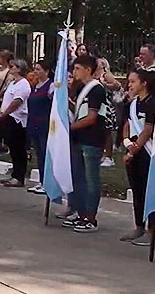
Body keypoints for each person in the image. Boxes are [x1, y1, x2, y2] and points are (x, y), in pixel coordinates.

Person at [64, 55, 108, 233]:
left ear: (88, 69)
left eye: (77, 69)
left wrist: (70, 127)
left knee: (91, 179)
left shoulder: (96, 89)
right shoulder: (81, 87)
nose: (74, 72)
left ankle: (91, 217)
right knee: (79, 177)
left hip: (91, 139)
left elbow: (91, 117)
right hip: (79, 138)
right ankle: (80, 212)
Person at [119, 68, 155, 245]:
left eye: (134, 81)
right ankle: (139, 226)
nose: (130, 85)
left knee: (147, 191)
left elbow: (148, 129)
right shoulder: (133, 103)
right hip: (133, 150)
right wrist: (127, 142)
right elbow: (127, 124)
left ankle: (153, 231)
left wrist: (134, 150)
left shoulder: (152, 103)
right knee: (137, 190)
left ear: (144, 83)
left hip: (147, 152)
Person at [0, 59, 31, 188]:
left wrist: (5, 113)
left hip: (16, 119)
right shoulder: (12, 83)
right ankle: (14, 174)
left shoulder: (23, 84)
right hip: (7, 118)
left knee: (18, 149)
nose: (10, 68)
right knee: (12, 147)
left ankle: (19, 176)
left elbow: (17, 101)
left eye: (12, 67)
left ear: (19, 69)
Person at [26, 60, 53, 195]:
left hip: (44, 125)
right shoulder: (35, 86)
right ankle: (42, 181)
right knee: (39, 155)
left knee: (45, 154)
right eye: (35, 69)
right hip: (34, 124)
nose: (36, 72)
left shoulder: (51, 86)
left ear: (46, 71)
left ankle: (47, 182)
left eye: (38, 69)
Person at [95, 57, 122, 167]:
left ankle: (109, 156)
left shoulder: (106, 75)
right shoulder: (94, 74)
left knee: (107, 132)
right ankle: (101, 154)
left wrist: (104, 84)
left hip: (106, 106)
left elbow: (117, 86)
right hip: (98, 106)